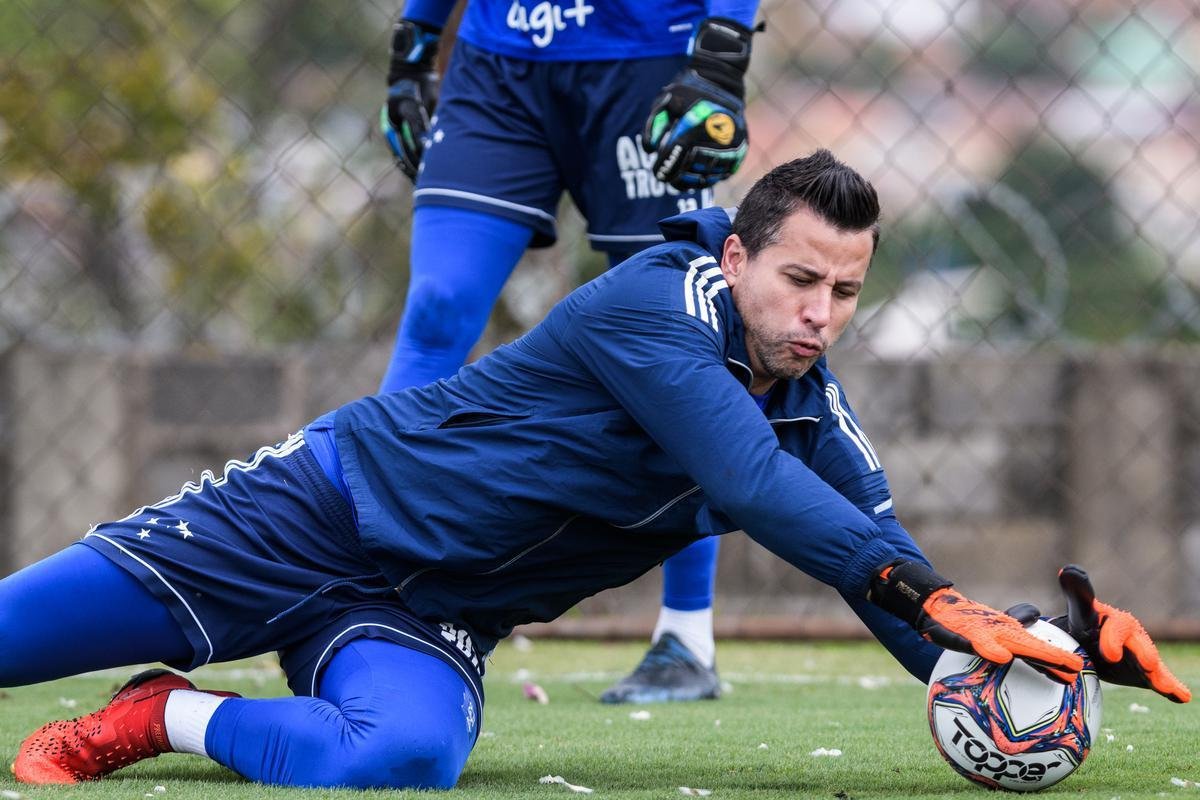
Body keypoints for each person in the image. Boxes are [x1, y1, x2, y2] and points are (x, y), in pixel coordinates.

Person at [3, 152, 1187, 791]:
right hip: (310, 513)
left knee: (405, 759)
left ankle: (163, 712)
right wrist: (927, 585)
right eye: (799, 282)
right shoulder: (652, 306)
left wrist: (1054, 648)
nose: (821, 315)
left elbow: (899, 600)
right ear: (737, 258)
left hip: (433, 612)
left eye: (846, 293)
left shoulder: (811, 402)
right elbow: (761, 489)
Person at [379, 0, 761, 704]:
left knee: (676, 331)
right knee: (435, 310)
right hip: (497, 61)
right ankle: (364, 590)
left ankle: (686, 635)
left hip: (647, 56)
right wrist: (417, 37)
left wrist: (723, 46)